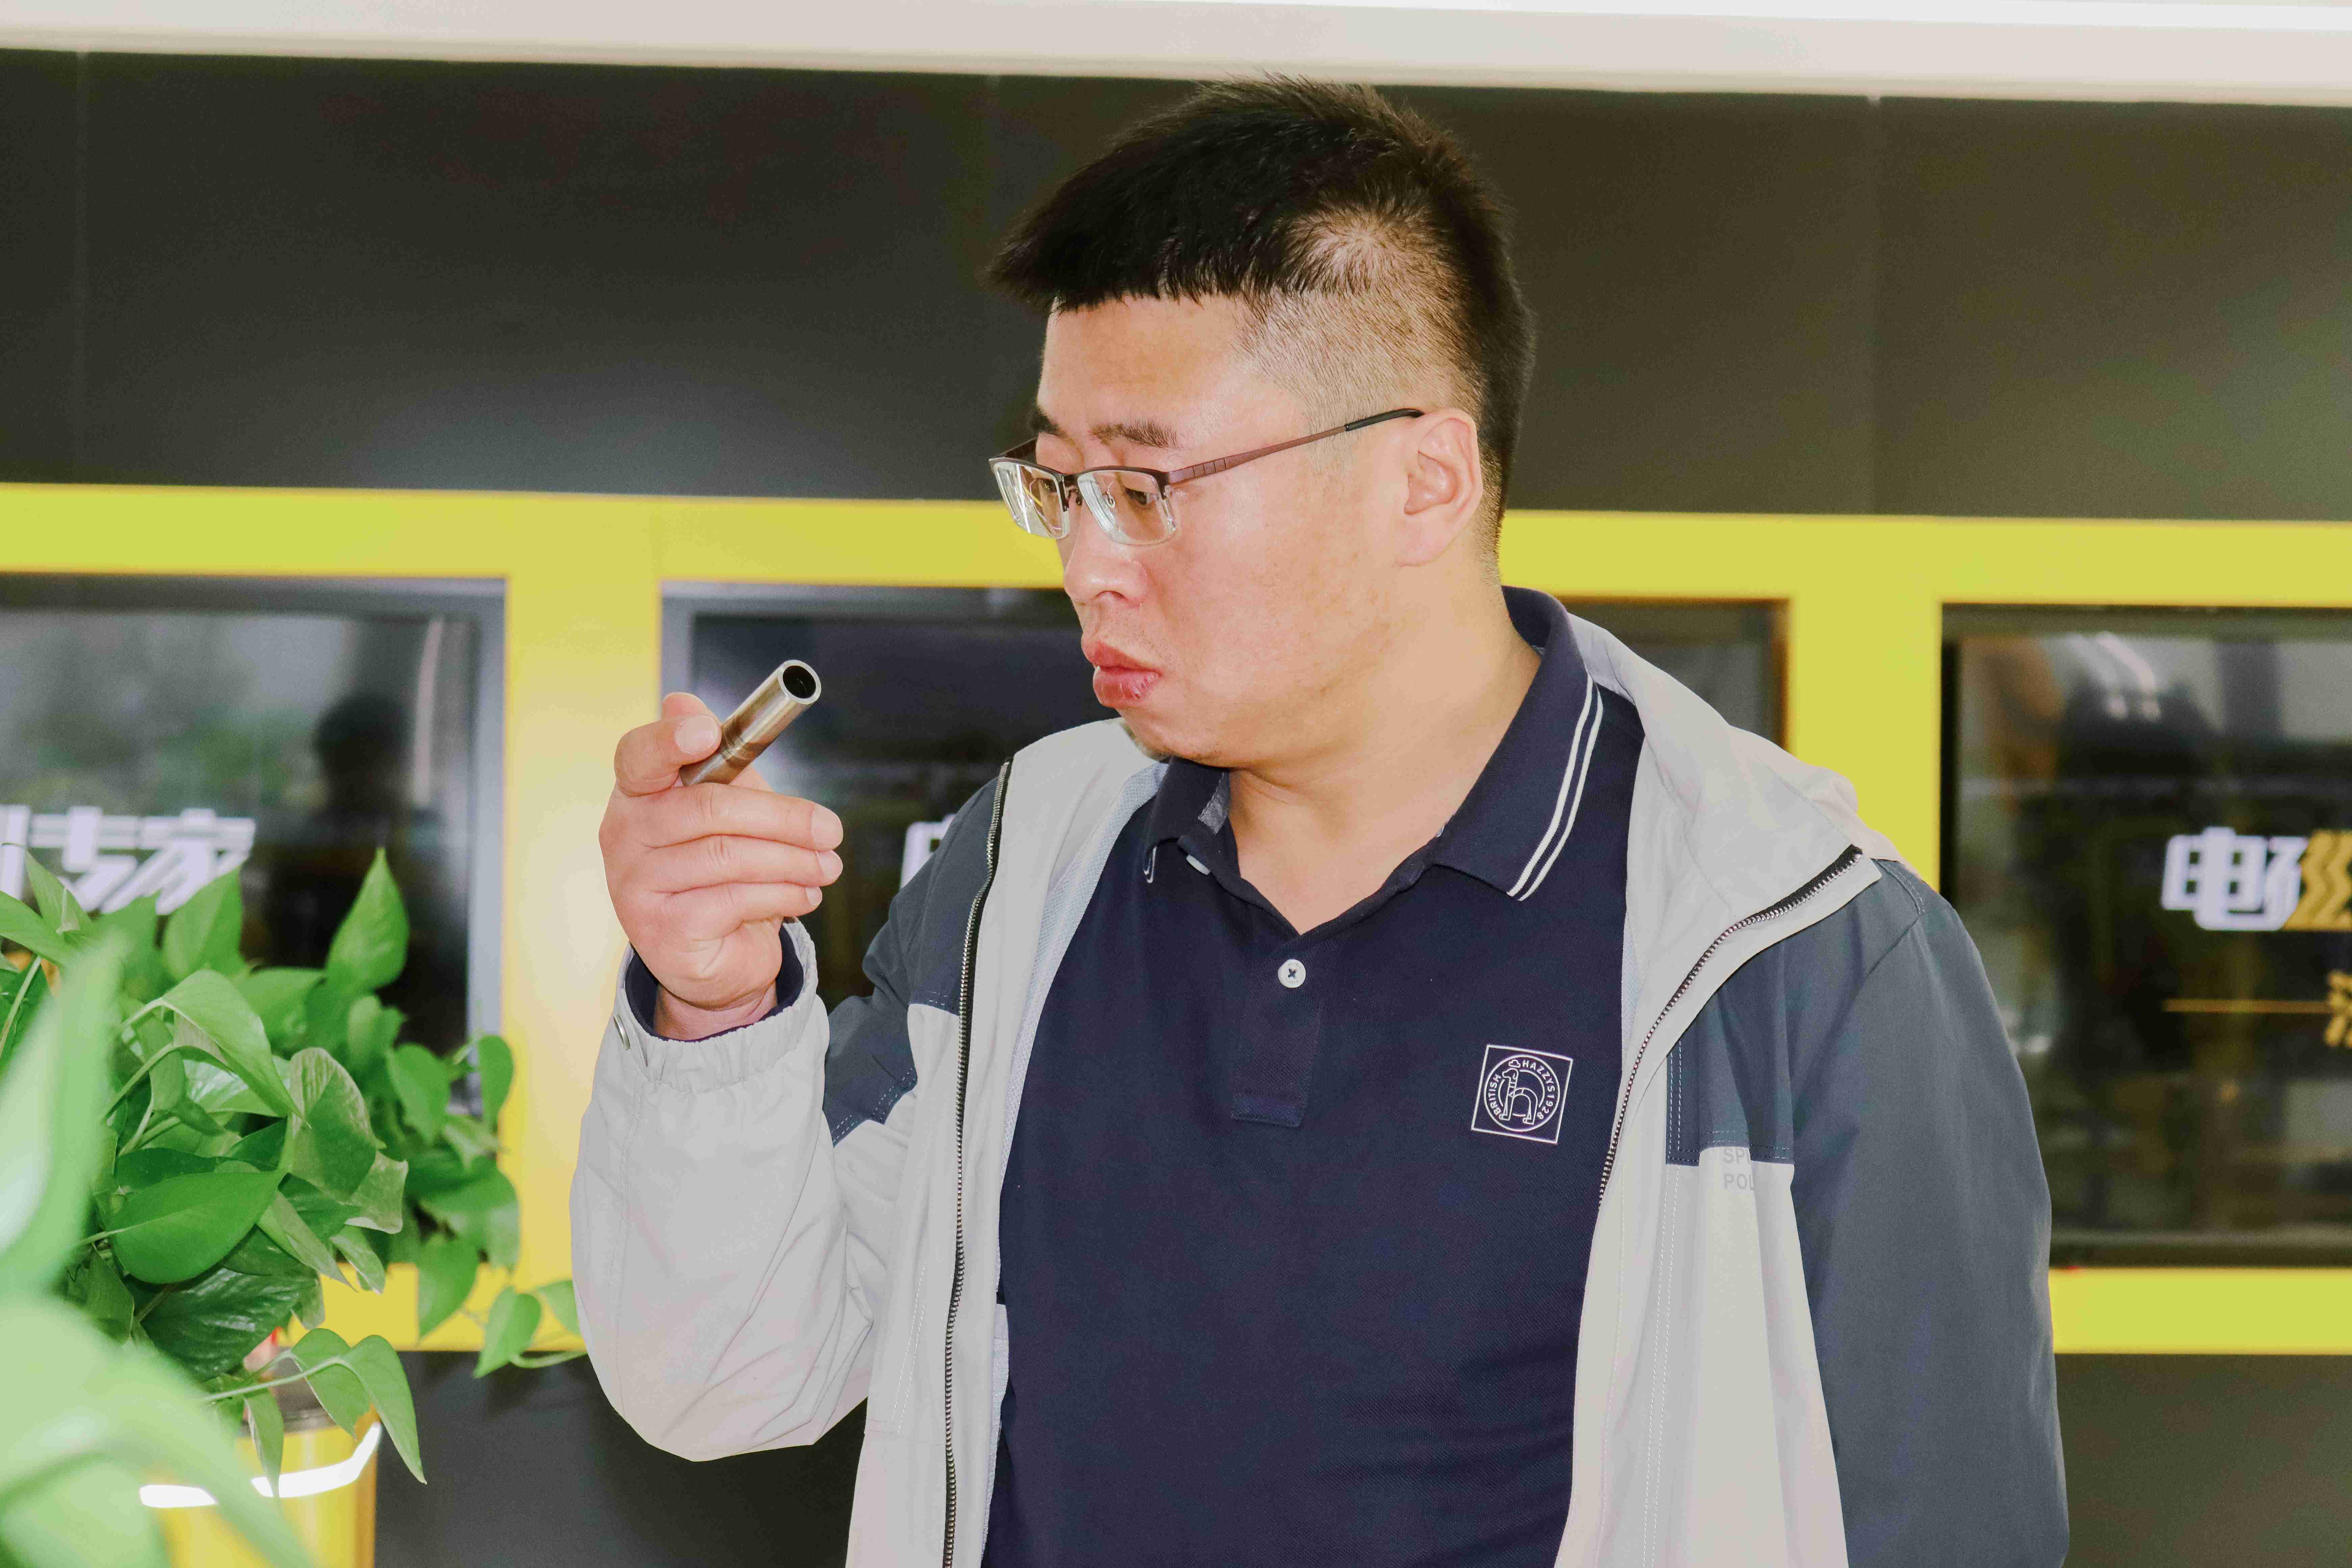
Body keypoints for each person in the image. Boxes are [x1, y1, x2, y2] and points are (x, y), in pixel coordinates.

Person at [574, 78, 2066, 1568]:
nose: (1087, 563)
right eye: (1060, 486)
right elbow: (730, 1374)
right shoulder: (1022, 866)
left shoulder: (1793, 945)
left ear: (1424, 481)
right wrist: (712, 1012)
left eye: (1146, 485)